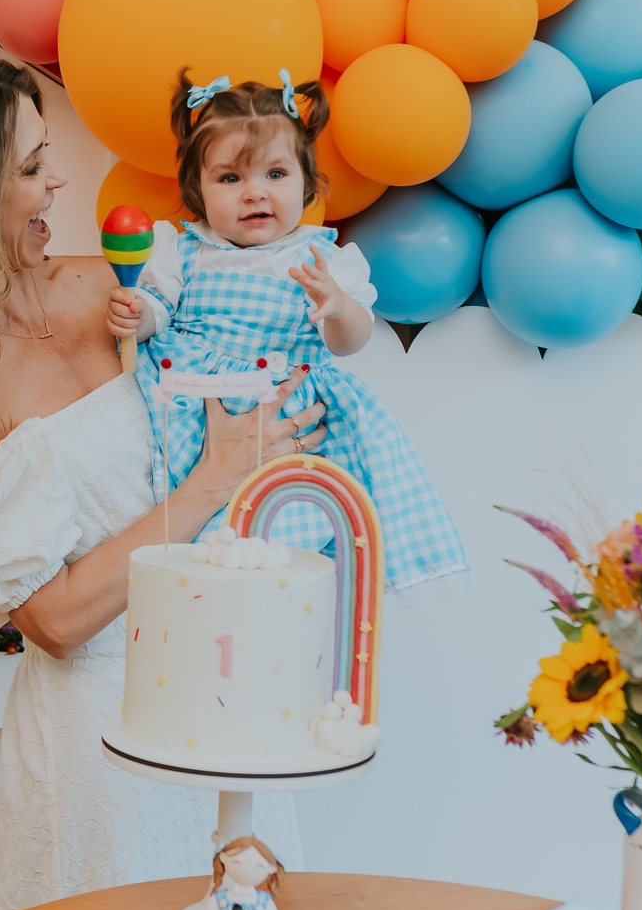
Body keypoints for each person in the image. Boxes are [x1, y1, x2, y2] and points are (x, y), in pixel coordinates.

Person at [0, 55, 327, 910]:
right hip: (101, 745)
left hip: (229, 693)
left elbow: (268, 331)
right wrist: (210, 484)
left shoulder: (111, 286)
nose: (59, 179)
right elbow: (51, 620)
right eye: (29, 167)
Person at [106, 67, 468, 600]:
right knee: (181, 532)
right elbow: (160, 306)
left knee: (274, 534)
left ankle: (265, 605)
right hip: (190, 404)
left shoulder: (323, 261)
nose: (255, 193)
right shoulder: (183, 248)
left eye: (275, 175)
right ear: (197, 191)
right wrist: (141, 318)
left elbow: (350, 341)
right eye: (230, 179)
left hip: (282, 408)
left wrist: (336, 306)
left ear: (308, 182)